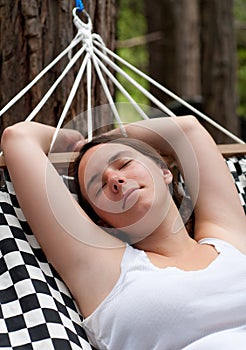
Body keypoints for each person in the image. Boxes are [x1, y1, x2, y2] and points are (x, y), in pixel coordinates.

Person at [1, 115, 246, 350]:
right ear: (102, 222)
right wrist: (70, 139)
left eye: (125, 163)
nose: (115, 180)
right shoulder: (106, 272)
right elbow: (18, 138)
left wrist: (104, 138)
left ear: (164, 171)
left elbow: (187, 130)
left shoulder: (228, 241)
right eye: (99, 186)